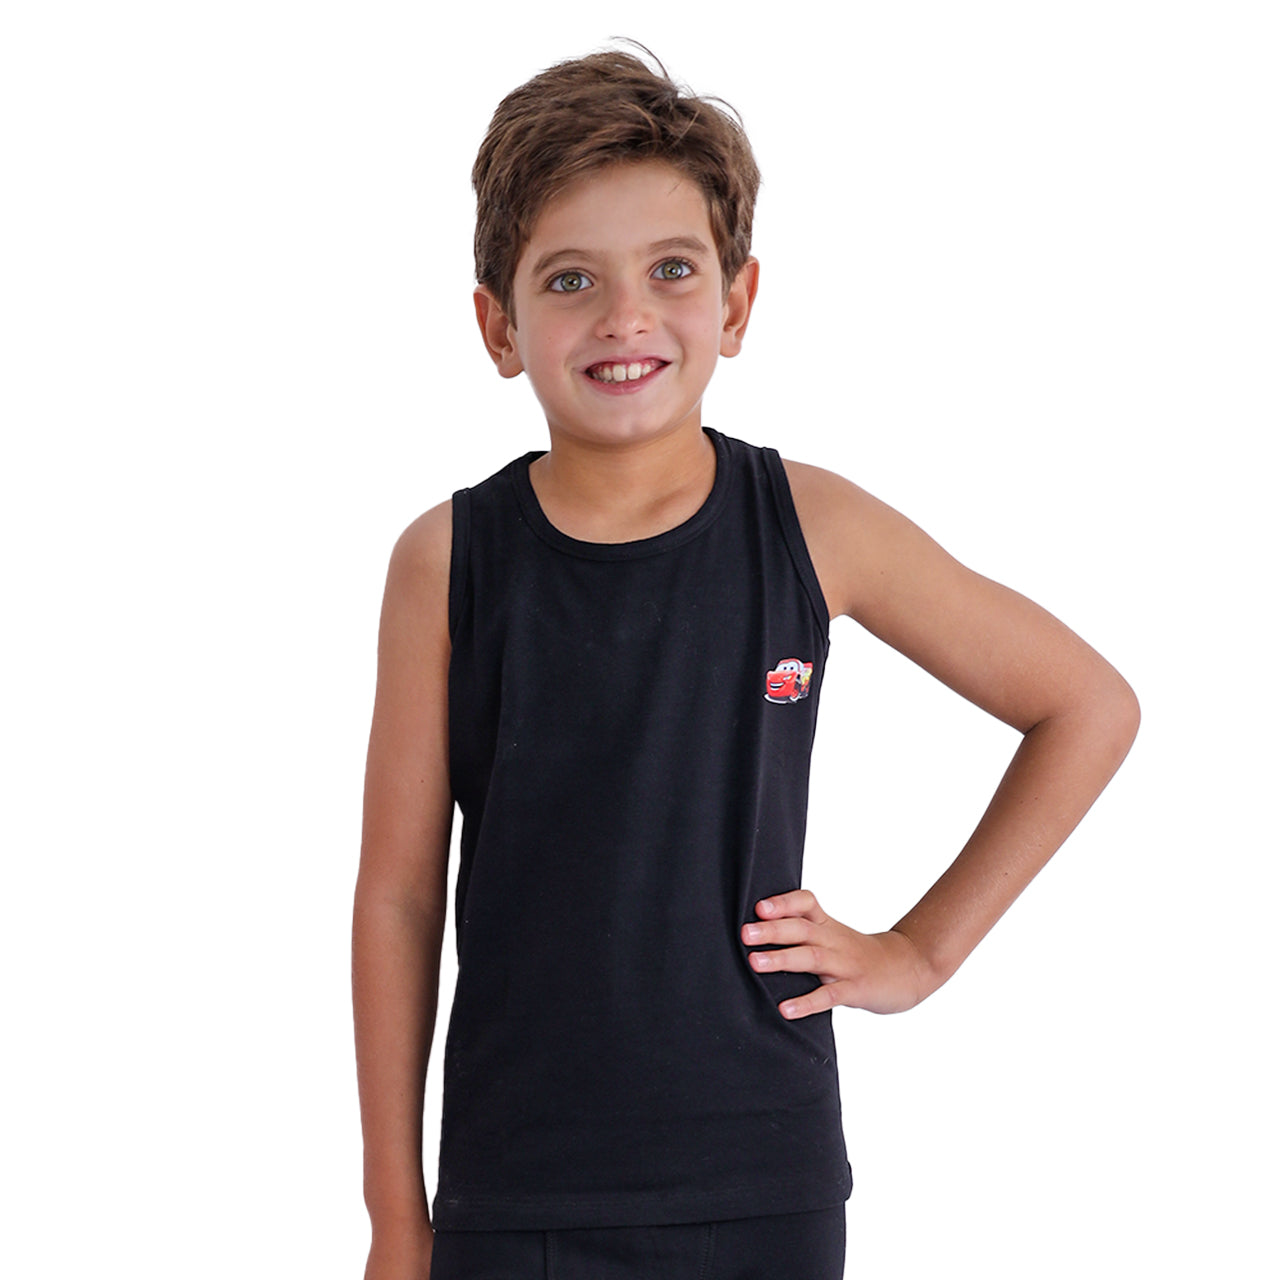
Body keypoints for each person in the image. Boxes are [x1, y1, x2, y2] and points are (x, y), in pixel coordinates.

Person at [352, 46, 1140, 1280]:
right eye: (570, 278)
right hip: (515, 1193)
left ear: (735, 302)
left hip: (760, 1183)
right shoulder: (446, 558)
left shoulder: (812, 526)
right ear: (499, 325)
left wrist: (916, 953)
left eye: (670, 269)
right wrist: (397, 1218)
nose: (624, 316)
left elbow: (1084, 704)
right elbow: (399, 897)